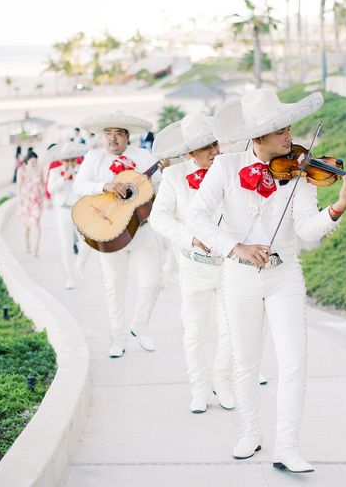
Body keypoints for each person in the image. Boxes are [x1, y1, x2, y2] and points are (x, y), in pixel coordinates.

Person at [187, 88, 346, 474]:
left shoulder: (298, 172)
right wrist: (236, 247)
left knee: (293, 362)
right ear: (258, 137)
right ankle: (250, 432)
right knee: (246, 362)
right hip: (240, 276)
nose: (289, 136)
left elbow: (307, 230)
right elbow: (197, 216)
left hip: (285, 275)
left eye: (289, 128)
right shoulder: (227, 167)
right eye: (281, 130)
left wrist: (339, 207)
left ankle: (288, 446)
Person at [150, 113, 235, 414]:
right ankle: (199, 390)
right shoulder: (174, 177)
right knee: (196, 330)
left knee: (232, 329)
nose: (214, 151)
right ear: (189, 153)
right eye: (205, 148)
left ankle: (222, 381)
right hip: (193, 266)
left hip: (230, 264)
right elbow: (158, 217)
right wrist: (189, 237)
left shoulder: (229, 168)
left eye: (215, 144)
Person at [74, 110, 165, 358]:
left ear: (127, 137)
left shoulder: (144, 156)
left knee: (153, 282)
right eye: (108, 134)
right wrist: (104, 186)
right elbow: (78, 186)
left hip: (141, 230)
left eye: (118, 134)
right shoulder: (94, 157)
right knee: (115, 286)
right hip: (110, 232)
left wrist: (157, 180)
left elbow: (159, 187)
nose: (112, 139)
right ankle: (118, 337)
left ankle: (140, 326)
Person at [46, 142, 89, 289]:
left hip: (79, 210)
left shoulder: (81, 170)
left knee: (86, 242)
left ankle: (79, 264)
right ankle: (70, 277)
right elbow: (50, 189)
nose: (70, 163)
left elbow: (85, 188)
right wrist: (64, 178)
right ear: (61, 160)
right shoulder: (55, 172)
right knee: (66, 245)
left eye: (72, 159)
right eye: (67, 160)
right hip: (63, 210)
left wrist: (75, 175)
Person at [16, 150, 45, 257]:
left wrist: (47, 199)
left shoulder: (40, 169)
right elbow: (18, 185)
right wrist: (19, 199)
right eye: (32, 162)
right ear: (27, 161)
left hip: (37, 201)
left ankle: (36, 248)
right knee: (26, 225)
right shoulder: (21, 170)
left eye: (35, 162)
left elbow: (42, 184)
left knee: (36, 224)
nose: (34, 164)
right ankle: (27, 245)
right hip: (26, 201)